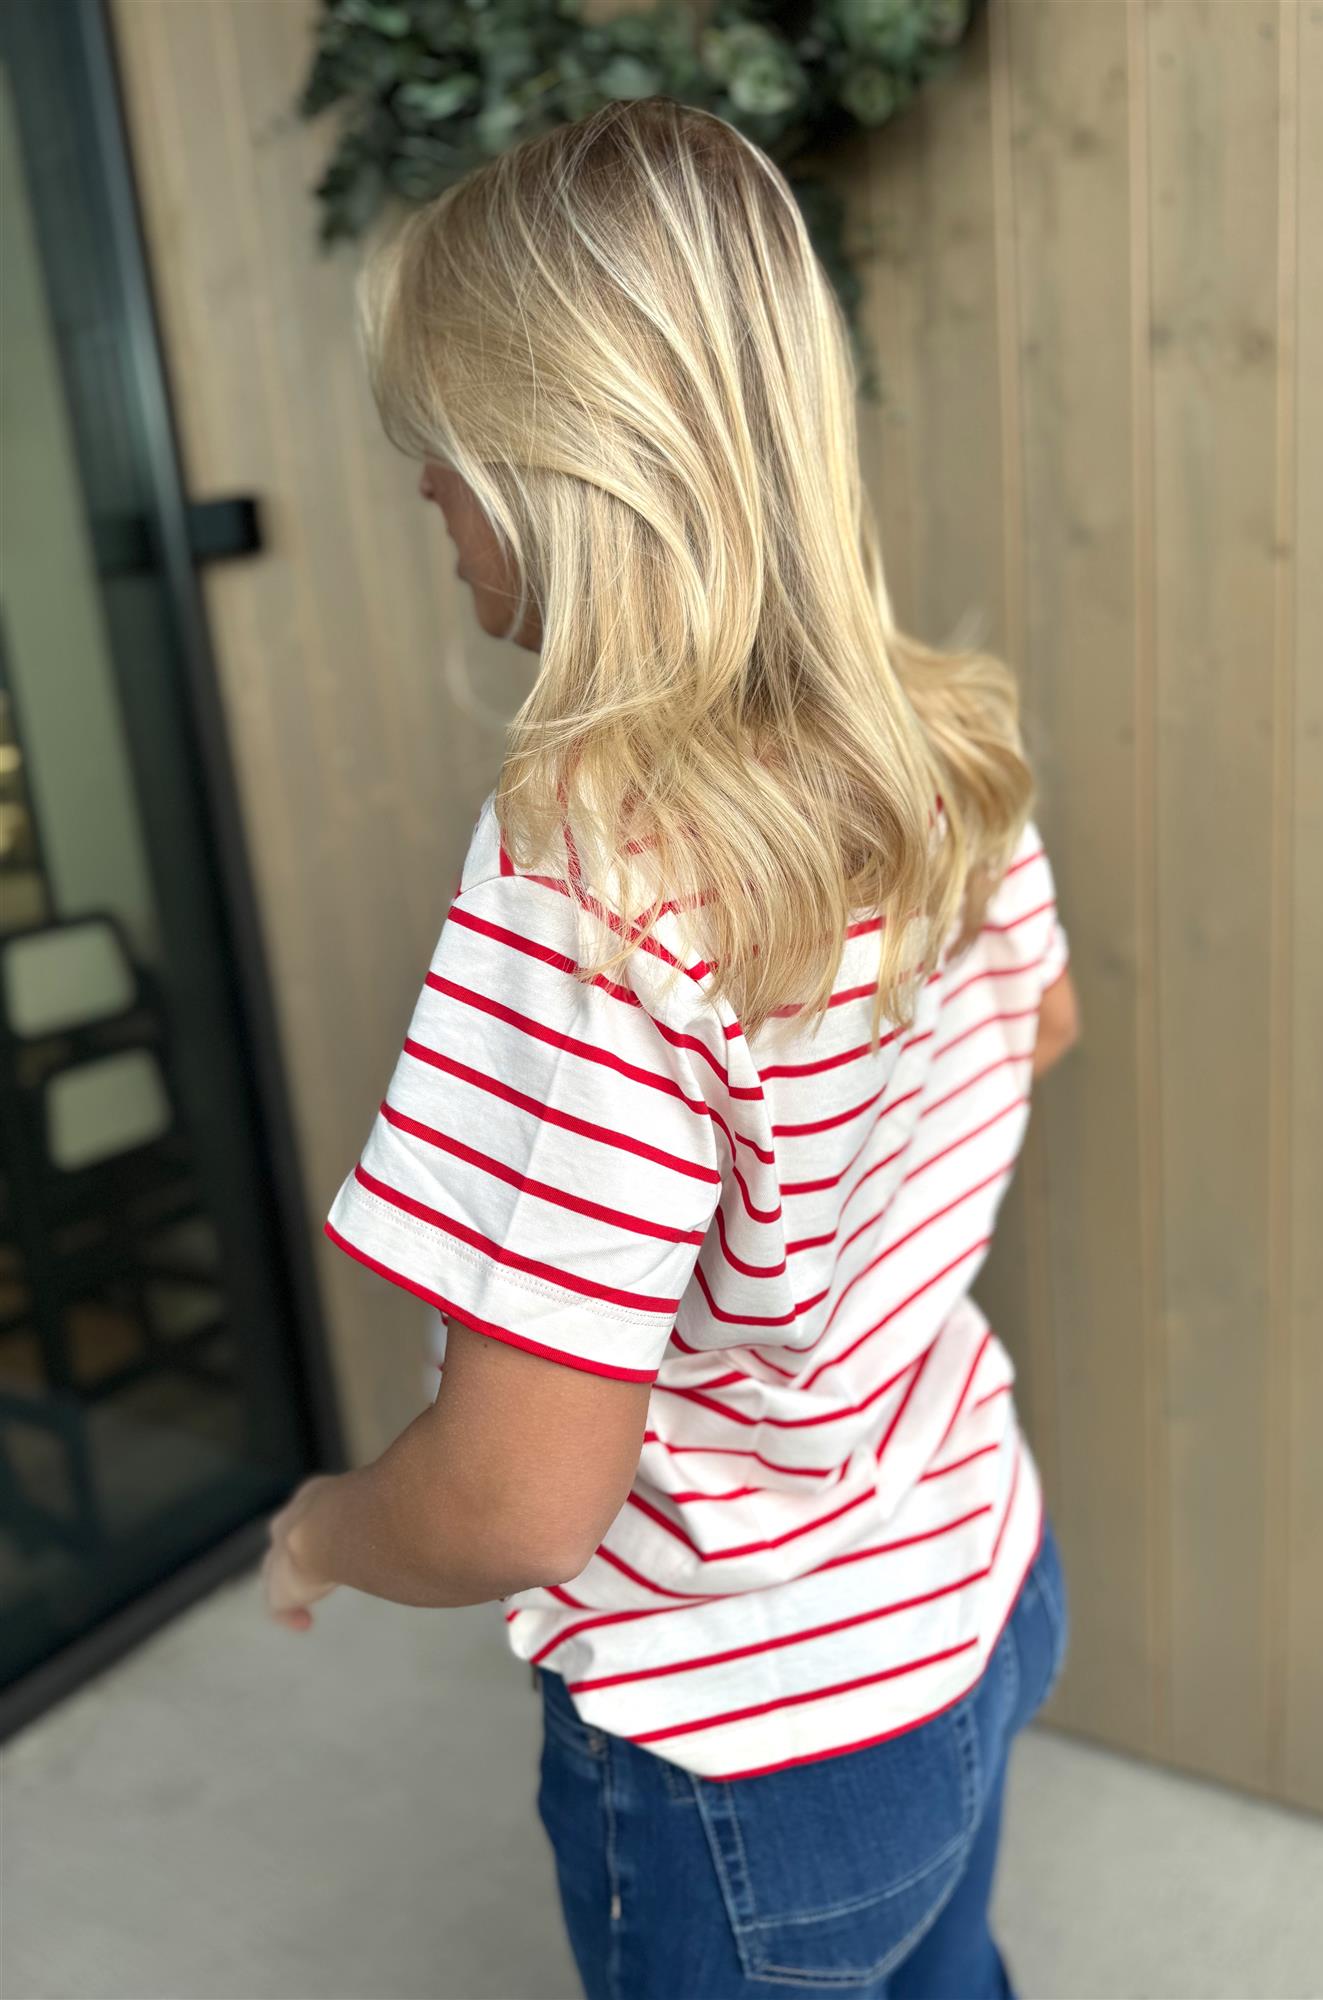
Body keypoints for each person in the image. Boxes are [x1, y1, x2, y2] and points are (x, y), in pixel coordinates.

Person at [261, 96, 1081, 2000]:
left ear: (555, 475)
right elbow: (1034, 1026)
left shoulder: (587, 877)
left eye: (440, 454)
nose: (424, 496)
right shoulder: (943, 738)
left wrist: (326, 1529)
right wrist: (829, 1236)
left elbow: (516, 1499)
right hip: (979, 1584)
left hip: (756, 1752)